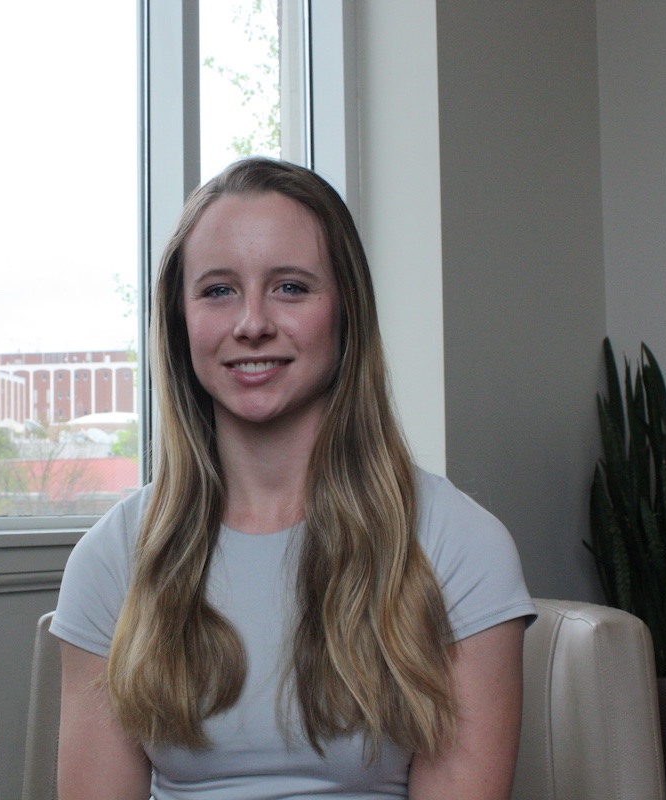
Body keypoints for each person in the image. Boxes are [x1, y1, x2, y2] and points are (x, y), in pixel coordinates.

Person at [51, 158, 534, 799]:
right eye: (218, 291)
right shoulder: (113, 557)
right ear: (179, 320)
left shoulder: (460, 545)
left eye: (290, 287)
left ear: (346, 312)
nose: (252, 323)